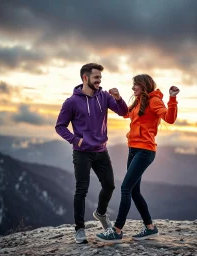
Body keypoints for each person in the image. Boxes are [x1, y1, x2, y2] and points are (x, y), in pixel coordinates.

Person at [96, 74, 180, 242]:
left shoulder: (154, 101)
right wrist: (118, 98)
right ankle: (150, 228)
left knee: (125, 188)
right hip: (133, 149)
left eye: (136, 85)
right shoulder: (138, 101)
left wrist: (172, 98)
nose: (133, 88)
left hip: (145, 151)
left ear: (144, 85)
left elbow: (169, 119)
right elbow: (126, 114)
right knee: (134, 191)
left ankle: (117, 231)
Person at [55, 63, 128, 244]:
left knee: (110, 185)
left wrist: (118, 98)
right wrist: (75, 140)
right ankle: (80, 229)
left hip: (101, 150)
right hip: (82, 152)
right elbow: (60, 126)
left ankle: (101, 213)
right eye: (96, 78)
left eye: (101, 78)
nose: (99, 81)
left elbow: (124, 112)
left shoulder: (103, 96)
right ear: (85, 78)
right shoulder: (71, 102)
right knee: (82, 190)